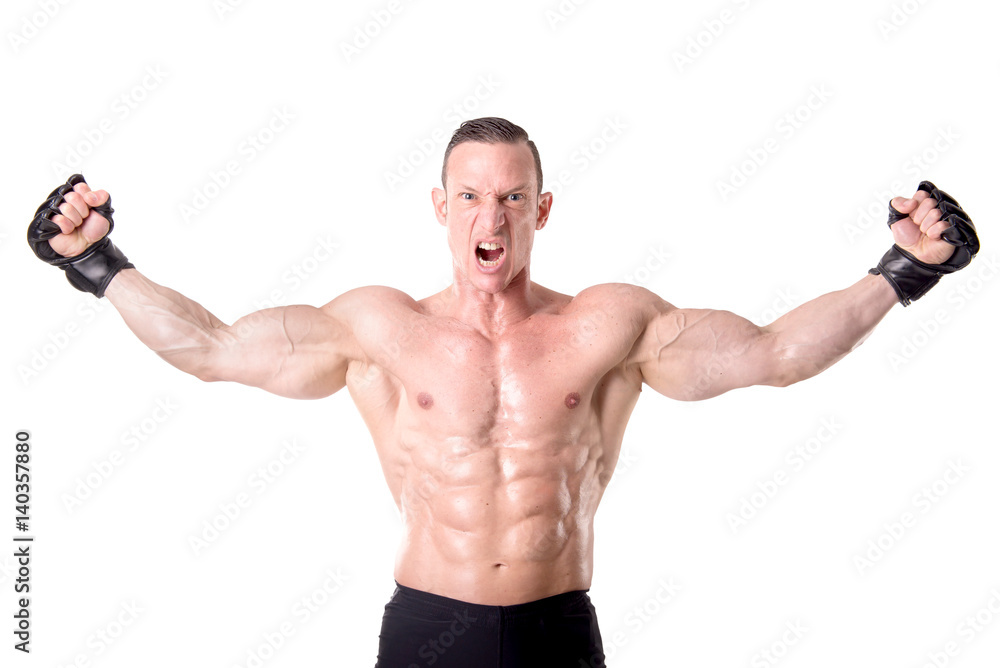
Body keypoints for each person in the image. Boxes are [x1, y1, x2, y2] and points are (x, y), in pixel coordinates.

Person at [26, 117, 978, 667]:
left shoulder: (609, 323)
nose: (492, 216)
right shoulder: (377, 325)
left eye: (513, 197)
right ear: (442, 208)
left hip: (559, 629)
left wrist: (902, 269)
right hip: (428, 625)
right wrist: (98, 262)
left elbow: (772, 354)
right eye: (472, 196)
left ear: (542, 209)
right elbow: (215, 348)